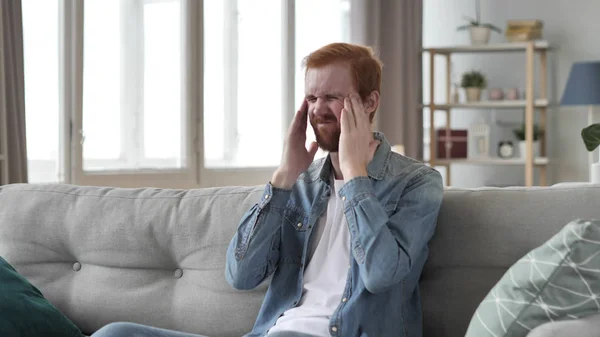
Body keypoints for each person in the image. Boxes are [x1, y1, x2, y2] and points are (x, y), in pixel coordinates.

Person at [91, 42, 443, 337]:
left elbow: (381, 275)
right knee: (115, 334)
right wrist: (283, 178)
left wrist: (354, 177)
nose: (318, 109)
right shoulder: (300, 186)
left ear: (369, 102)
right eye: (311, 97)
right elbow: (241, 275)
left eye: (333, 97)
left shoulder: (416, 183)